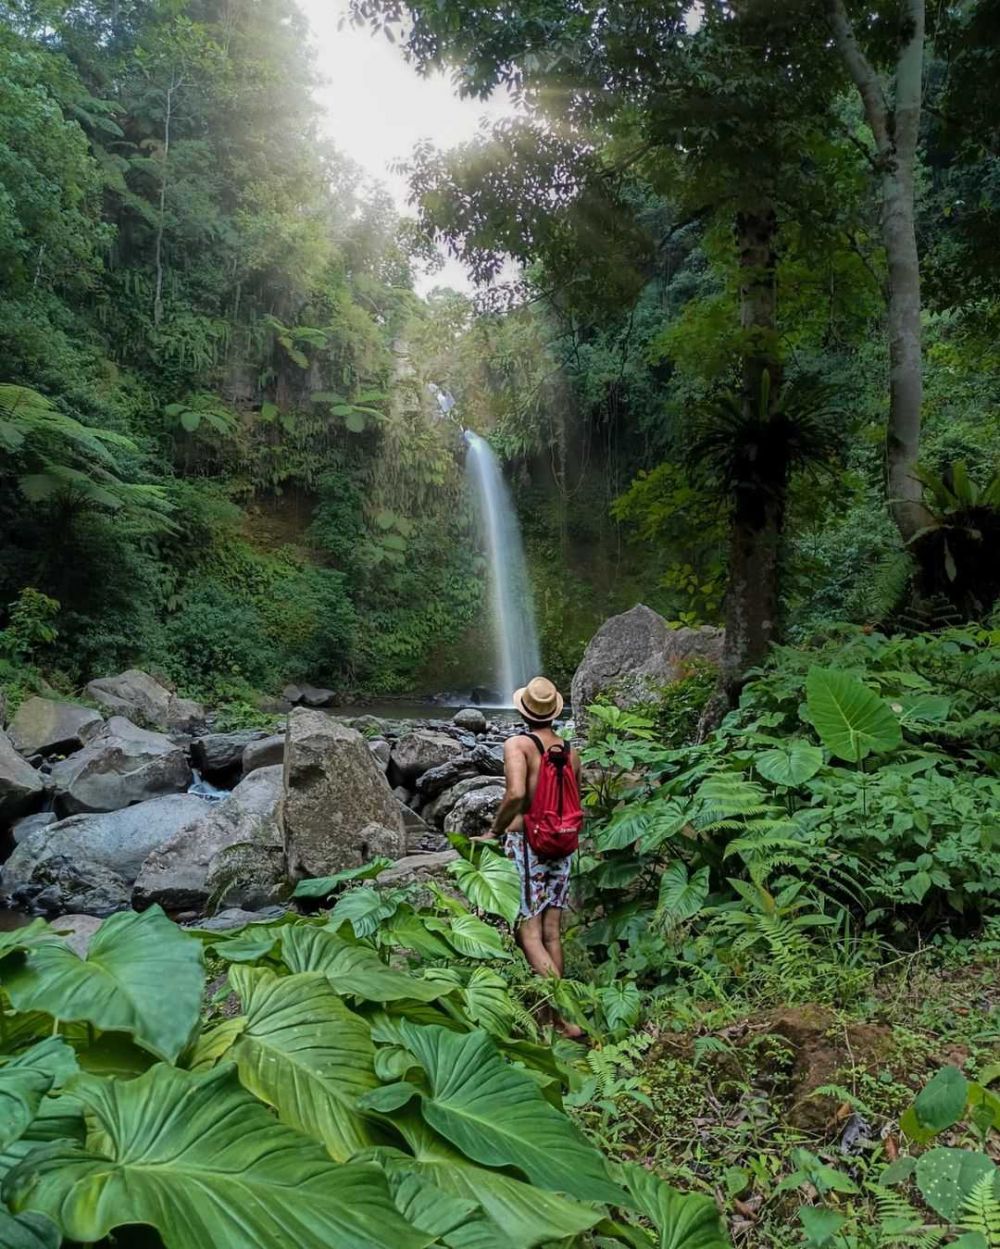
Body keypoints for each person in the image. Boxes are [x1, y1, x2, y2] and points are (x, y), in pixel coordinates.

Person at [475, 675, 584, 1036]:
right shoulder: (570, 750)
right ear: (553, 711)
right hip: (563, 843)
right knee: (552, 932)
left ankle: (565, 1015)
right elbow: (573, 800)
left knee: (529, 933)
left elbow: (517, 795)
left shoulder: (518, 745)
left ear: (524, 711)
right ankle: (548, 1016)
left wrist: (493, 830)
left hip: (528, 842)